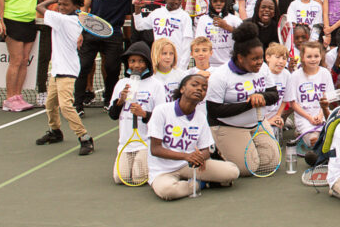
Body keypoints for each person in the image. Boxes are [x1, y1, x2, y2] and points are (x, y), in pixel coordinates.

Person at [205, 22, 281, 176]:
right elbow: (213, 111)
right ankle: (216, 152)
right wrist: (249, 103)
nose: (260, 62)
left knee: (271, 163)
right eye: (254, 59)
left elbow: (274, 95)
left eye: (261, 57)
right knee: (248, 168)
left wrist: (261, 97)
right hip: (227, 126)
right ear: (240, 58)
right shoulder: (220, 76)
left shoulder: (263, 68)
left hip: (257, 123)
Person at [147, 72, 240, 200]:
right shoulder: (161, 111)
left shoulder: (200, 117)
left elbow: (206, 150)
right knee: (167, 191)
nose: (199, 89)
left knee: (232, 171)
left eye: (204, 88)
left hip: (190, 166)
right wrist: (186, 156)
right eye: (194, 85)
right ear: (182, 89)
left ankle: (192, 182)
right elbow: (155, 149)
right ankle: (197, 185)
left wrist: (200, 157)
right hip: (163, 170)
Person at [78, 0, 142, 109]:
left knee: (112, 68)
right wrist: (80, 31)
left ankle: (109, 99)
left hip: (114, 34)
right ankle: (77, 103)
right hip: (90, 33)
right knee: (83, 66)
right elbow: (84, 6)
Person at [33, 0, 91, 153]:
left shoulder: (63, 20)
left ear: (75, 6)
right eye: (59, 4)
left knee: (65, 106)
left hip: (68, 70)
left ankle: (85, 138)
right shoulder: (69, 18)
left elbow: (39, 6)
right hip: (57, 70)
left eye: (66, 4)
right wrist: (59, 0)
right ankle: (55, 131)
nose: (61, 7)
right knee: (50, 104)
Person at [107, 41, 166, 185]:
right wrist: (120, 101)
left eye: (141, 61)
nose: (136, 65)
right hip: (125, 143)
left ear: (147, 63)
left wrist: (144, 114)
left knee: (139, 178)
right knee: (120, 178)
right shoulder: (121, 84)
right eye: (132, 61)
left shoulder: (156, 85)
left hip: (145, 142)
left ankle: (156, 164)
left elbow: (162, 118)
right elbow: (113, 115)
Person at [31, 0, 74, 105]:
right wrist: (46, 12)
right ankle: (42, 90)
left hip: (67, 21)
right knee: (44, 57)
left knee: (68, 57)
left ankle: (68, 91)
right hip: (46, 19)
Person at [134, 0, 194, 70]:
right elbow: (139, 26)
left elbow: (187, 45)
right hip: (158, 62)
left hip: (176, 64)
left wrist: (182, 68)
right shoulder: (156, 13)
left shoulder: (184, 17)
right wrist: (137, 9)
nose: (177, 2)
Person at [287, 40, 335, 153]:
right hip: (304, 117)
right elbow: (293, 103)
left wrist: (320, 114)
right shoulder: (295, 76)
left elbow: (328, 97)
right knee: (314, 142)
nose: (313, 59)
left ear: (321, 56)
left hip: (322, 114)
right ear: (302, 58)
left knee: (333, 137)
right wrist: (309, 118)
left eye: (316, 56)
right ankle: (303, 133)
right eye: (309, 56)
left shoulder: (325, 73)